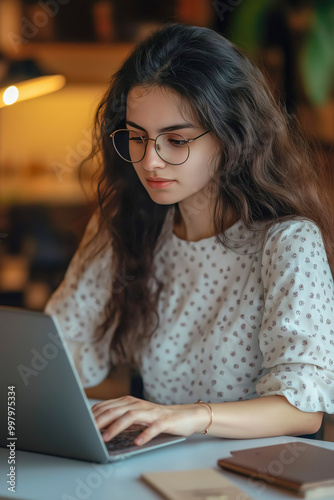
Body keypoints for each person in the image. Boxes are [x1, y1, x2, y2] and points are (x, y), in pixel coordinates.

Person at [45, 23, 334, 447]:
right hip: (156, 466)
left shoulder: (288, 243)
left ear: (231, 136)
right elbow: (59, 346)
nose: (150, 162)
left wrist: (192, 417)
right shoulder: (122, 228)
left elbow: (304, 410)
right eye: (137, 138)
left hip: (254, 475)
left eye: (175, 140)